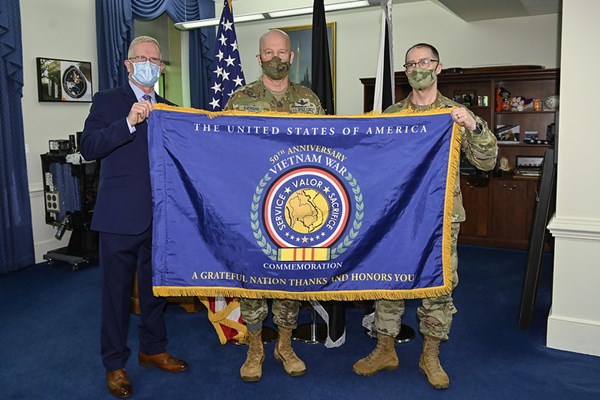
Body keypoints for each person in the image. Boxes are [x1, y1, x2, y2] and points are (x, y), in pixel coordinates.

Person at [352, 43, 498, 390]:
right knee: (389, 282)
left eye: (425, 62)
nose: (418, 67)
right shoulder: (392, 115)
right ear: (405, 71)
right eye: (412, 63)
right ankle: (385, 348)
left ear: (439, 67)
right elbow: (373, 166)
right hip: (397, 218)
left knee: (439, 286)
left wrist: (473, 125)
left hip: (440, 218)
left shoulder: (455, 114)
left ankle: (430, 354)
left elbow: (488, 162)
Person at [80, 36, 187, 399]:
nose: (148, 64)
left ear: (160, 68)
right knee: (115, 295)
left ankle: (153, 349)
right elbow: (89, 147)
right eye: (141, 58)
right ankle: (114, 364)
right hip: (118, 217)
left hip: (160, 218)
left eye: (154, 60)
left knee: (155, 290)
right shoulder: (108, 101)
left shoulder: (171, 109)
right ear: (128, 65)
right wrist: (126, 122)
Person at [224, 28, 324, 382]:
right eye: (269, 53)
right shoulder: (240, 99)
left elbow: (325, 150)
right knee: (253, 279)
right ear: (259, 57)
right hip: (253, 207)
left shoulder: (309, 101)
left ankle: (284, 344)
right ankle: (255, 347)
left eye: (283, 52)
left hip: (294, 206)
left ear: (292, 57)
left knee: (290, 278)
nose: (277, 58)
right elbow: (224, 152)